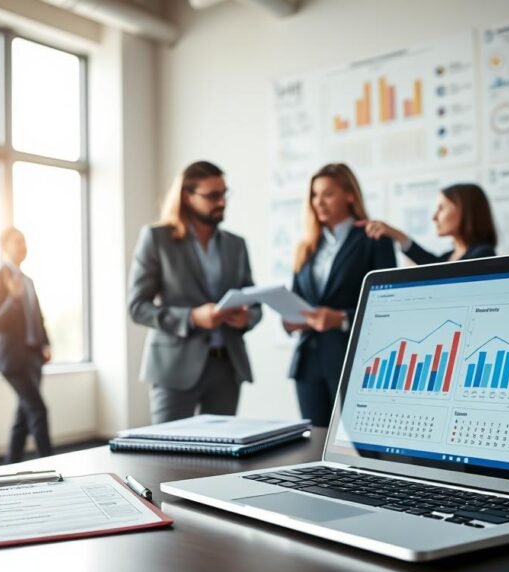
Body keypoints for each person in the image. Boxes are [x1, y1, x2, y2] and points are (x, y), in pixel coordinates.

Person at [128, 161, 262, 423]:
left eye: (224, 194)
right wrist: (192, 317)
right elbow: (137, 307)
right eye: (213, 195)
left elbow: (254, 302)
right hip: (173, 368)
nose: (222, 202)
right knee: (169, 457)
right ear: (188, 197)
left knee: (221, 458)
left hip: (226, 368)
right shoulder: (157, 239)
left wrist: (248, 318)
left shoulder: (236, 245)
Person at [284, 163, 397, 427]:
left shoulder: (374, 240)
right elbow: (297, 298)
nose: (318, 202)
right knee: (313, 446)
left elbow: (388, 306)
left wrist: (342, 319)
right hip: (308, 364)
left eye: (327, 194)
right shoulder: (307, 247)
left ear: (349, 195)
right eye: (314, 195)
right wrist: (290, 320)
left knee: (357, 445)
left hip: (353, 361)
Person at [0, 227, 53, 463]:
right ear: (4, 245)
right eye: (18, 241)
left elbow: (38, 316)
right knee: (38, 410)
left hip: (34, 357)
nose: (24, 246)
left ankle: (9, 465)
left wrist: (45, 343)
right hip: (13, 361)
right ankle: (51, 464)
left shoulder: (28, 280)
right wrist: (13, 299)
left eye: (25, 241)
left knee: (23, 418)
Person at [358, 183, 497, 263]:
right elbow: (434, 266)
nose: (434, 217)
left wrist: (399, 236)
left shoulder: (483, 254)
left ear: (466, 211)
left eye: (441, 208)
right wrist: (398, 236)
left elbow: (442, 274)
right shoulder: (449, 256)